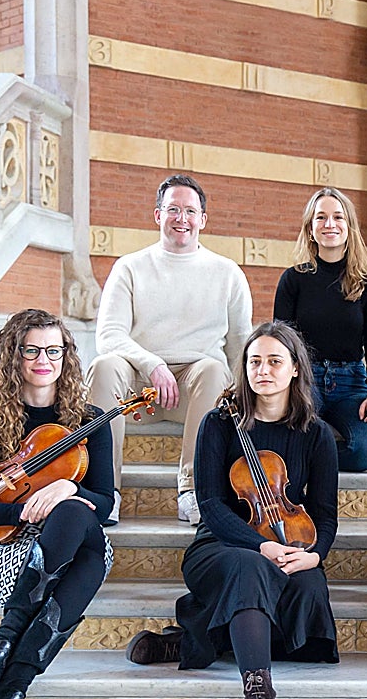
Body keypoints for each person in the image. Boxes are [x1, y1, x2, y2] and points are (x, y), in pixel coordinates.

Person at [124, 321, 339, 699]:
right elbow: (211, 504)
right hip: (221, 545)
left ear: (295, 369)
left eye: (275, 361)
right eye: (255, 361)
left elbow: (326, 514)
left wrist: (313, 556)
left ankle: (192, 642)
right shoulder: (220, 423)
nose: (263, 370)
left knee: (306, 595)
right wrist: (260, 546)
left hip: (289, 543)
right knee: (250, 568)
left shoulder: (317, 434)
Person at [0, 309, 115, 699]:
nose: (43, 359)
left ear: (66, 355)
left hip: (76, 532)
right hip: (11, 545)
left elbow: (104, 503)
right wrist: (23, 511)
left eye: (54, 349)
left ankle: (0, 649)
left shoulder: (90, 419)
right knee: (80, 558)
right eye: (31, 349)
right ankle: (7, 697)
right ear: (13, 355)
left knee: (72, 512)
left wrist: (68, 486)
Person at [87, 174, 253, 526]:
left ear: (203, 220)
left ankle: (191, 491)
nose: (182, 219)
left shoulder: (227, 273)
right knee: (104, 366)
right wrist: (153, 364)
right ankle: (106, 491)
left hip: (194, 392)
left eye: (190, 211)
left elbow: (240, 343)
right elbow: (109, 334)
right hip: (137, 390)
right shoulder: (130, 267)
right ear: (157, 215)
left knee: (214, 369)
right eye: (173, 209)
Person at [274, 186, 367, 471]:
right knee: (284, 433)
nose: (329, 224)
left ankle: (309, 458)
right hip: (304, 379)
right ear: (310, 229)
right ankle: (310, 451)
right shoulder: (293, 280)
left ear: (349, 227)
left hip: (351, 383)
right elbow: (280, 344)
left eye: (338, 217)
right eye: (320, 217)